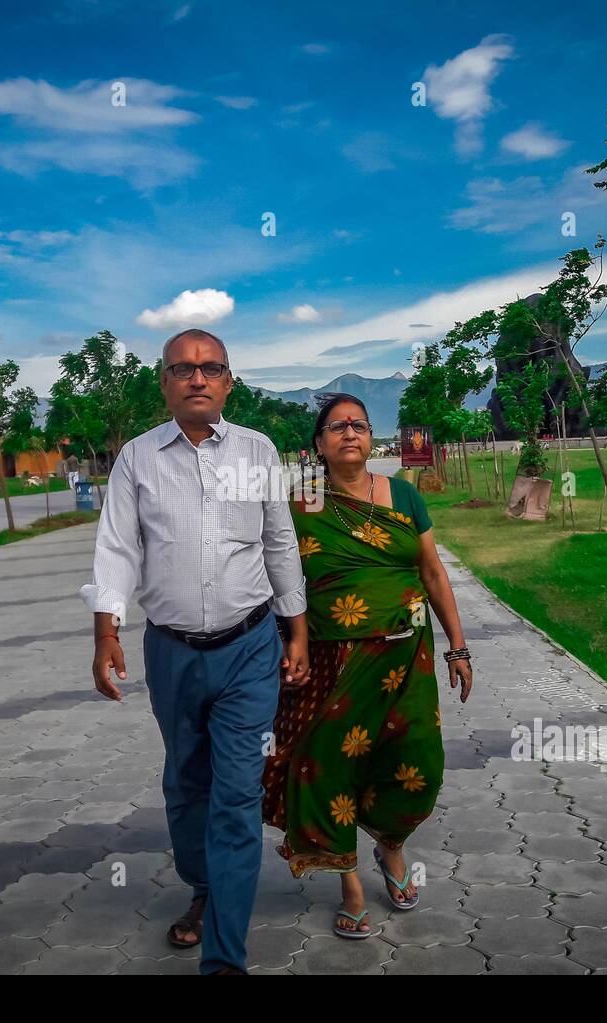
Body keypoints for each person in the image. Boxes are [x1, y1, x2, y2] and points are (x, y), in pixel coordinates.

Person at [81, 328, 310, 975]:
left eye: (210, 368)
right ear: (165, 382)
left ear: (229, 381)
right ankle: (203, 884)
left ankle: (225, 958)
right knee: (186, 783)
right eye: (183, 368)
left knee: (236, 797)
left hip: (249, 648)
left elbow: (279, 542)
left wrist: (297, 628)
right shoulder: (137, 458)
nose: (198, 378)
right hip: (171, 652)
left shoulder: (259, 451)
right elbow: (118, 548)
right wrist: (106, 632)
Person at [262, 393, 473, 938]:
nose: (349, 433)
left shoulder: (403, 494)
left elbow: (432, 572)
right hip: (333, 660)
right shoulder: (300, 501)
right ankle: (349, 881)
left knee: (417, 765)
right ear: (319, 443)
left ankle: (392, 846)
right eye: (336, 426)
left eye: (358, 424)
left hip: (409, 656)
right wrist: (291, 642)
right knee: (329, 768)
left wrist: (459, 645)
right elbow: (282, 579)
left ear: (371, 436)